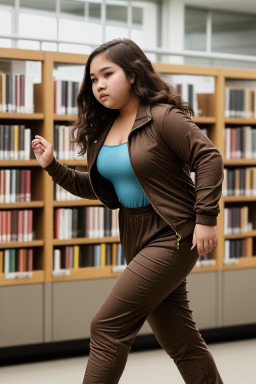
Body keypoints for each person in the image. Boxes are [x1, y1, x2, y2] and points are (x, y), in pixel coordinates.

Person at [32, 38, 224, 384]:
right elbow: (102, 188)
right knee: (182, 343)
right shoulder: (103, 130)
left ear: (133, 75)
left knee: (106, 326)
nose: (99, 85)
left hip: (171, 234)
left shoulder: (163, 118)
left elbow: (208, 157)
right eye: (93, 79)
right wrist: (53, 166)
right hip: (134, 236)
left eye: (108, 74)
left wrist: (206, 218)